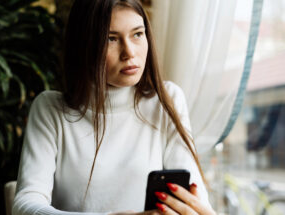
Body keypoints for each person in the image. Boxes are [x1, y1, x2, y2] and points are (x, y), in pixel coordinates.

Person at [12, 0, 216, 215]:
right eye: (111, 39)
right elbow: (25, 205)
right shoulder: (50, 109)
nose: (129, 52)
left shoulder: (167, 99)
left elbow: (194, 197)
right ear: (84, 45)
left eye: (137, 34)